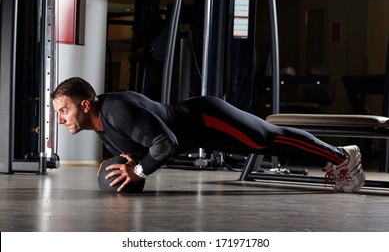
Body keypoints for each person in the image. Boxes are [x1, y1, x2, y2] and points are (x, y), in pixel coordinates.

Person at [51, 77, 365, 193]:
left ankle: (343, 156)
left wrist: (138, 171)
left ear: (86, 103)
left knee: (266, 138)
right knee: (266, 145)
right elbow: (136, 150)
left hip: (208, 118)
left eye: (63, 110)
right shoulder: (102, 126)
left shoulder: (116, 110)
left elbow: (165, 143)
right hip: (201, 133)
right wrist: (124, 166)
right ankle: (332, 161)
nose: (60, 118)